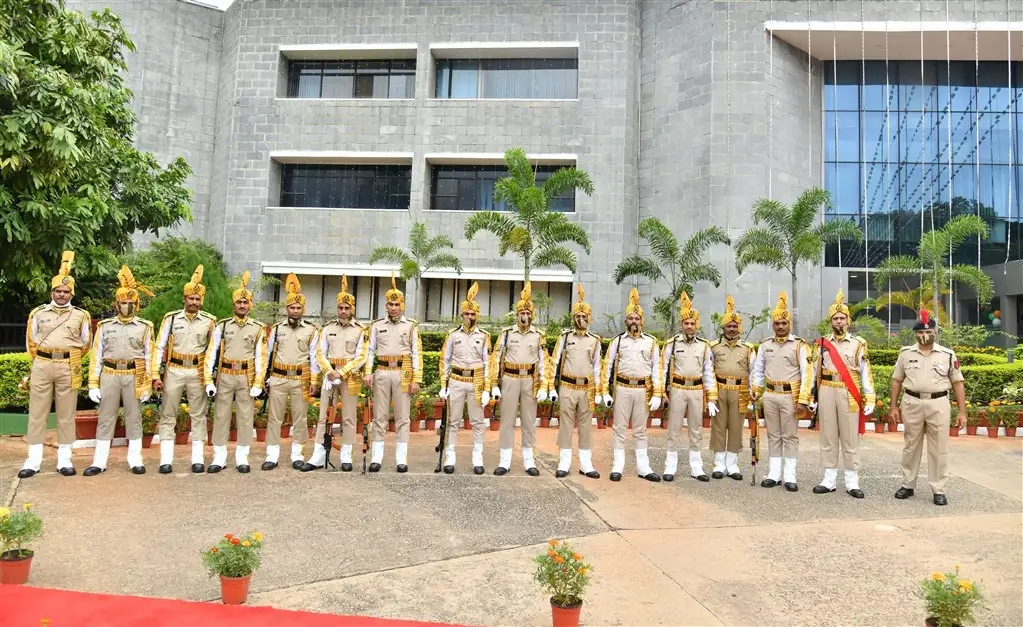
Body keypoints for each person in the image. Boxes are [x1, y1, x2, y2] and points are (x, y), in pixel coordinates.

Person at [19, 251, 92, 478]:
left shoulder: (81, 315)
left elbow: (85, 343)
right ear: (52, 292)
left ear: (72, 293)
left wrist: (68, 356)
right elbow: (31, 341)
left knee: (66, 413)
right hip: (42, 363)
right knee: (37, 412)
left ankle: (64, 460)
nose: (62, 295)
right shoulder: (38, 313)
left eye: (66, 291)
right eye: (58, 291)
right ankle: (33, 459)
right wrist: (41, 359)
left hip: (68, 366)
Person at [84, 266, 156, 476]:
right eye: (123, 302)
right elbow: (96, 356)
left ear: (136, 304)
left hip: (134, 374)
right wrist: (93, 383)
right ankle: (99, 461)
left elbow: (149, 356)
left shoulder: (145, 327)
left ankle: (135, 459)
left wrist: (148, 383)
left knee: (134, 417)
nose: (126, 306)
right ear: (116, 304)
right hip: (110, 373)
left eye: (130, 303)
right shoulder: (105, 326)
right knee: (106, 417)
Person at [890, 309, 967, 506]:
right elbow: (897, 380)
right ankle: (908, 485)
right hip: (912, 402)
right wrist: (893, 407)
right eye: (921, 332)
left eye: (929, 331)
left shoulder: (947, 355)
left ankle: (938, 489)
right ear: (915, 333)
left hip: (938, 403)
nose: (925, 335)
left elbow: (958, 383)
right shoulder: (906, 354)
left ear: (935, 332)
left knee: (939, 448)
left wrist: (962, 412)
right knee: (910, 446)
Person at [153, 265, 217, 474]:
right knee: (168, 413)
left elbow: (213, 351)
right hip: (174, 370)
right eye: (191, 298)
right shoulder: (171, 319)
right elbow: (159, 346)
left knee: (198, 414)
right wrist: (155, 374)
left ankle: (197, 459)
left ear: (202, 301)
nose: (194, 302)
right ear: (184, 299)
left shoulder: (209, 322)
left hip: (197, 372)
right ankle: (166, 460)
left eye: (198, 299)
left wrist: (209, 377)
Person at [811, 289, 875, 499]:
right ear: (830, 322)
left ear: (849, 320)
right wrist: (812, 397)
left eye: (842, 318)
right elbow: (814, 372)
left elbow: (866, 371)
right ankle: (828, 480)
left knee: (850, 438)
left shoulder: (859, 343)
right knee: (828, 436)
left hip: (849, 392)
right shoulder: (821, 344)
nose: (839, 322)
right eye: (835, 318)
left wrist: (870, 396)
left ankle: (851, 482)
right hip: (827, 390)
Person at [203, 271, 267, 473]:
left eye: (245, 302)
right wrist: (208, 379)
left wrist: (258, 382)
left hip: (245, 376)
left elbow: (261, 357)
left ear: (250, 305)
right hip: (225, 374)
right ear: (234, 306)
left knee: (245, 417)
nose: (242, 305)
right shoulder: (222, 326)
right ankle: (219, 457)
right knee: (221, 416)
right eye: (239, 302)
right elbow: (211, 352)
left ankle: (242, 457)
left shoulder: (258, 328)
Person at [303, 275, 367, 472]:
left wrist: (342, 372)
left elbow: (362, 356)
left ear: (352, 309)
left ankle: (346, 456)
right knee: (323, 416)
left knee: (348, 417)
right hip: (329, 377)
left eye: (347, 308)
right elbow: (319, 353)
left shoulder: (361, 330)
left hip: (349, 377)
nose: (343, 311)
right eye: (341, 307)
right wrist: (329, 371)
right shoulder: (328, 328)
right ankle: (318, 456)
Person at [750, 291, 812, 491]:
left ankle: (790, 476)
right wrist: (756, 389)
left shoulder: (800, 345)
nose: (780, 326)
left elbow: (807, 373)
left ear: (789, 324)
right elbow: (758, 370)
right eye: (777, 324)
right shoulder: (765, 345)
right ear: (773, 325)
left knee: (790, 436)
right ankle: (774, 474)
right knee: (773, 435)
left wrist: (803, 399)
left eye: (784, 323)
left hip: (790, 396)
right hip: (770, 395)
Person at [602, 288, 664, 482]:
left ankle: (643, 467)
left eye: (637, 318)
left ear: (642, 320)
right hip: (622, 388)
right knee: (619, 427)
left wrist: (657, 393)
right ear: (626, 321)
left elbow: (657, 369)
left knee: (640, 429)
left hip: (643, 390)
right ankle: (618, 465)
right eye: (630, 318)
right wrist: (604, 391)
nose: (634, 321)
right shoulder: (618, 341)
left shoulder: (651, 342)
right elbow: (607, 366)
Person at [363, 274, 422, 472]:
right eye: (390, 304)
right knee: (379, 416)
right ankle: (377, 459)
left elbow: (416, 353)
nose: (394, 307)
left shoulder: (411, 326)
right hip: (381, 371)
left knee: (402, 417)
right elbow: (369, 350)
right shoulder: (377, 325)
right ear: (386, 305)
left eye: (397, 304)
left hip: (403, 373)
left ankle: (401, 460)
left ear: (402, 305)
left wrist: (416, 379)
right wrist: (367, 373)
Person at [261, 274, 319, 471]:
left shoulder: (312, 330)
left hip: (300, 380)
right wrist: (263, 379)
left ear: (303, 309)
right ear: (286, 309)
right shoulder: (276, 330)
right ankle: (272, 455)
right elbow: (266, 354)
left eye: (298, 308)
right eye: (292, 308)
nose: (295, 311)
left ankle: (297, 455)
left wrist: (313, 380)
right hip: (277, 378)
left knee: (300, 419)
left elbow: (314, 358)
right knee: (274, 418)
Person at [492, 282, 548, 476]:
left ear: (532, 315)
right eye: (521, 313)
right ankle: (504, 461)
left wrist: (545, 385)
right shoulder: (506, 334)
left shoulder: (539, 336)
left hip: (530, 381)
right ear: (517, 315)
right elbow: (495, 359)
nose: (525, 316)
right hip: (510, 379)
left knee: (529, 421)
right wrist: (493, 384)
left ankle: (529, 461)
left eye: (528, 313)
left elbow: (544, 362)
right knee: (507, 420)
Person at [660, 292, 718, 482]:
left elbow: (709, 372)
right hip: (677, 389)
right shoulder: (672, 344)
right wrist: (661, 392)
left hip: (696, 391)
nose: (690, 326)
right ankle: (670, 466)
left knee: (696, 429)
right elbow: (662, 369)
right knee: (674, 428)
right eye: (686, 323)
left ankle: (696, 467)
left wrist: (711, 398)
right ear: (682, 325)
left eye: (692, 323)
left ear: (696, 325)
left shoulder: (704, 346)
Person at [548, 285, 602, 479]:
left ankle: (586, 464)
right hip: (567, 386)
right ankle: (564, 462)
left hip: (586, 388)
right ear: (573, 319)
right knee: (566, 424)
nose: (580, 320)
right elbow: (554, 361)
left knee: (586, 425)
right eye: (577, 317)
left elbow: (597, 367)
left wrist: (600, 391)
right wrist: (549, 387)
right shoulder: (565, 338)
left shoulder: (595, 340)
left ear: (589, 318)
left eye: (584, 317)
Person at [438, 282, 492, 474]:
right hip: (456, 380)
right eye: (466, 314)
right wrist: (443, 385)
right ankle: (449, 456)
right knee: (453, 420)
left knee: (477, 421)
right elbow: (444, 359)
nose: (470, 317)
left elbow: (488, 364)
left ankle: (478, 458)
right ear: (462, 315)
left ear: (477, 316)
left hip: (476, 381)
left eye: (473, 314)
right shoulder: (453, 335)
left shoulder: (485, 336)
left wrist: (487, 388)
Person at [708, 296, 756, 480]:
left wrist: (753, 395)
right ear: (723, 328)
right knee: (719, 426)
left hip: (740, 391)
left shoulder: (748, 348)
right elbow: (708, 371)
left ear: (739, 328)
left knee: (736, 426)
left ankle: (733, 464)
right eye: (729, 326)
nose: (732, 329)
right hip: (719, 389)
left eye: (735, 326)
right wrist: (710, 395)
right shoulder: (713, 347)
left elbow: (753, 372)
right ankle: (719, 464)